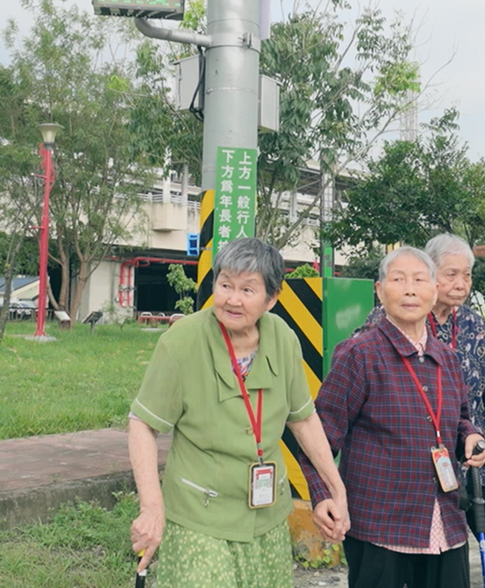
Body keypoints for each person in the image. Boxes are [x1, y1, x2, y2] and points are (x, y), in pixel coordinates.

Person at [128, 237, 349, 587]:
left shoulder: (283, 338)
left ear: (271, 299)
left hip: (268, 517)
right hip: (200, 516)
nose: (232, 298)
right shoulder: (181, 342)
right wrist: (152, 507)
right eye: (225, 284)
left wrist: (337, 490)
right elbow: (143, 425)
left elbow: (303, 419)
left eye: (248, 289)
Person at [301, 247, 485, 588]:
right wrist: (321, 495)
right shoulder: (359, 354)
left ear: (434, 291)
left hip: (444, 520)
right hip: (381, 523)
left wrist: (471, 438)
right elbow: (320, 435)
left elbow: (460, 420)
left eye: (419, 280)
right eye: (398, 280)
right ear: (379, 290)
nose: (410, 290)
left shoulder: (446, 358)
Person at [359, 234, 485, 588]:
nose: (461, 284)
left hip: (475, 451)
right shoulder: (388, 319)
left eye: (467, 276)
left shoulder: (470, 322)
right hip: (418, 460)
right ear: (428, 273)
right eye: (451, 274)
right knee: (429, 558)